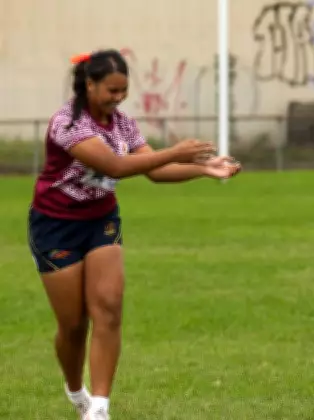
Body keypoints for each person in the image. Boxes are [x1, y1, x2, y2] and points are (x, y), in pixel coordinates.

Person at [28, 49, 241, 420]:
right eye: (111, 90)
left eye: (123, 90)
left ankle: (99, 407)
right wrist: (177, 152)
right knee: (73, 324)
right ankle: (75, 387)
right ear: (89, 85)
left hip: (101, 221)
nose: (118, 98)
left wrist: (205, 169)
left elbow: (154, 171)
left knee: (108, 308)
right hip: (55, 226)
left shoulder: (123, 124)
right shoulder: (67, 122)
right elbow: (116, 165)